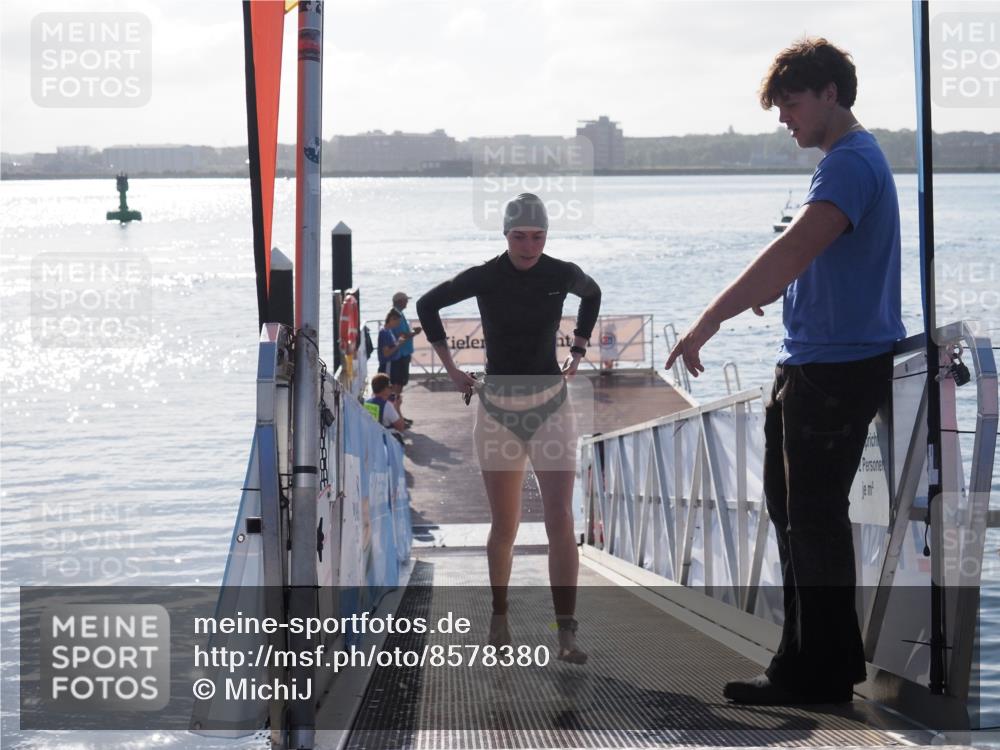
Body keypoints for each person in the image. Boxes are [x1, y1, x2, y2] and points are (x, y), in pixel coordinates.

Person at [666, 38, 905, 705]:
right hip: (815, 364)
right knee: (796, 518)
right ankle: (807, 662)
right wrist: (783, 289)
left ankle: (819, 672)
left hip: (834, 371)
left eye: (791, 103)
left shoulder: (849, 163)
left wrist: (708, 320)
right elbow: (809, 259)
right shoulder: (846, 163)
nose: (783, 119)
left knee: (814, 521)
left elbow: (792, 248)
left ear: (830, 93)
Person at [417, 193, 601, 664]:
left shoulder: (561, 273)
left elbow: (593, 293)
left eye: (538, 237)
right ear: (505, 234)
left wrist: (579, 350)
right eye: (520, 236)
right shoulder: (485, 276)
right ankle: (499, 618)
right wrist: (451, 369)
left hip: (551, 406)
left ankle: (566, 633)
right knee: (505, 525)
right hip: (498, 408)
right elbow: (427, 303)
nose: (529, 246)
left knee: (560, 519)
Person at [390, 292, 421, 427]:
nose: (407, 302)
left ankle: (398, 415)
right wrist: (414, 332)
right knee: (396, 386)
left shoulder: (398, 314)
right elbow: (402, 335)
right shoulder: (395, 315)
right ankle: (395, 417)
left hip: (403, 354)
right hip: (399, 355)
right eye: (405, 300)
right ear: (400, 301)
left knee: (399, 386)